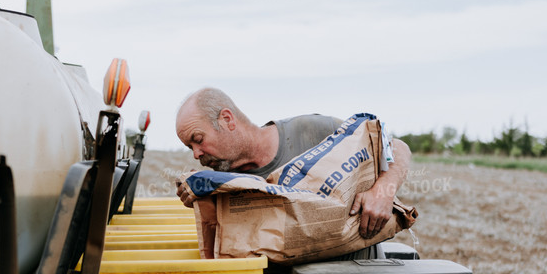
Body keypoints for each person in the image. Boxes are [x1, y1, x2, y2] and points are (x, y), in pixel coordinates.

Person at [175, 87, 411, 247]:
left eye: (198, 139)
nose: (196, 154)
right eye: (190, 147)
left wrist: (383, 191)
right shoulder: (224, 183)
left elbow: (396, 147)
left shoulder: (312, 131)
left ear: (227, 120)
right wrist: (203, 202)